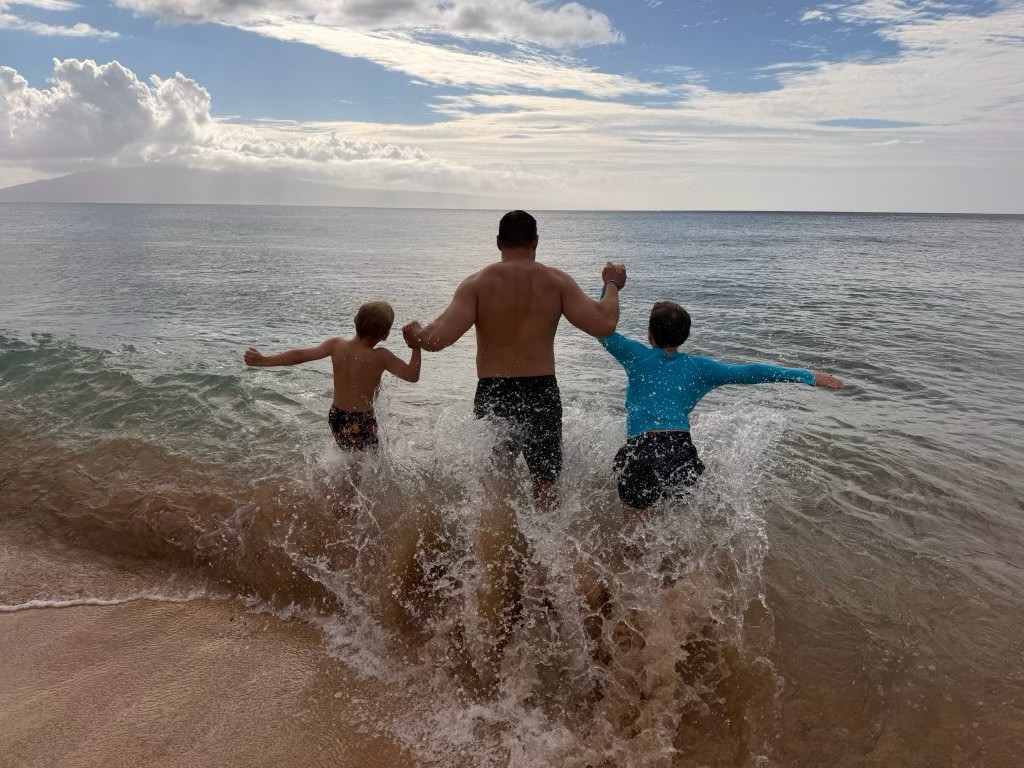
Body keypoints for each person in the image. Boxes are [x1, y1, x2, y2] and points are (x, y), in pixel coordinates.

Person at [402, 209, 626, 510]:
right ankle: (546, 538)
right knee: (546, 482)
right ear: (536, 241)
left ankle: (496, 538)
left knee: (495, 480)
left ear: (498, 242)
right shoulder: (556, 281)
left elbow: (437, 339)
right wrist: (612, 284)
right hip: (541, 391)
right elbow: (604, 323)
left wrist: (416, 334)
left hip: (495, 391)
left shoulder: (477, 284)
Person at [600, 300, 843, 520]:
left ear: (650, 332)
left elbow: (602, 329)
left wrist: (611, 285)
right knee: (674, 525)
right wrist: (807, 376)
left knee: (635, 523)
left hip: (642, 447)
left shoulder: (635, 356)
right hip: (679, 450)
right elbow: (752, 372)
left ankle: (632, 555)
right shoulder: (699, 367)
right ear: (685, 336)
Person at [244, 300, 420, 451]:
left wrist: (264, 360)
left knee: (347, 458)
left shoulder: (336, 345)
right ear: (385, 335)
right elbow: (412, 375)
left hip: (337, 416)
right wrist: (415, 344)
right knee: (369, 462)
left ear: (355, 320)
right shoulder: (382, 356)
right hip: (362, 420)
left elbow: (299, 355)